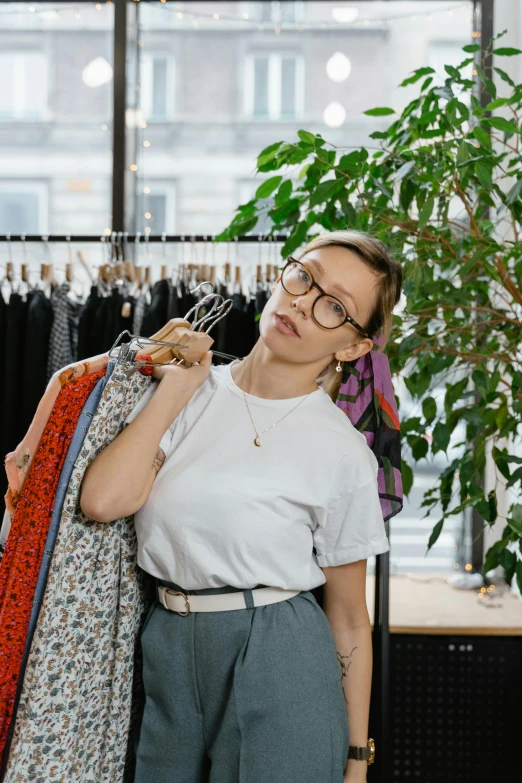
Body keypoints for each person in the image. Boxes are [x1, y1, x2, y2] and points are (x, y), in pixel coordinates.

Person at [80, 228, 403, 783]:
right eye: (304, 276)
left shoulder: (343, 452)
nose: (302, 301)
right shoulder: (184, 389)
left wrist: (356, 761)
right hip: (164, 644)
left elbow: (350, 619)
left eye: (334, 307)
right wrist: (177, 390)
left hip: (280, 651)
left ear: (353, 347)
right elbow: (103, 500)